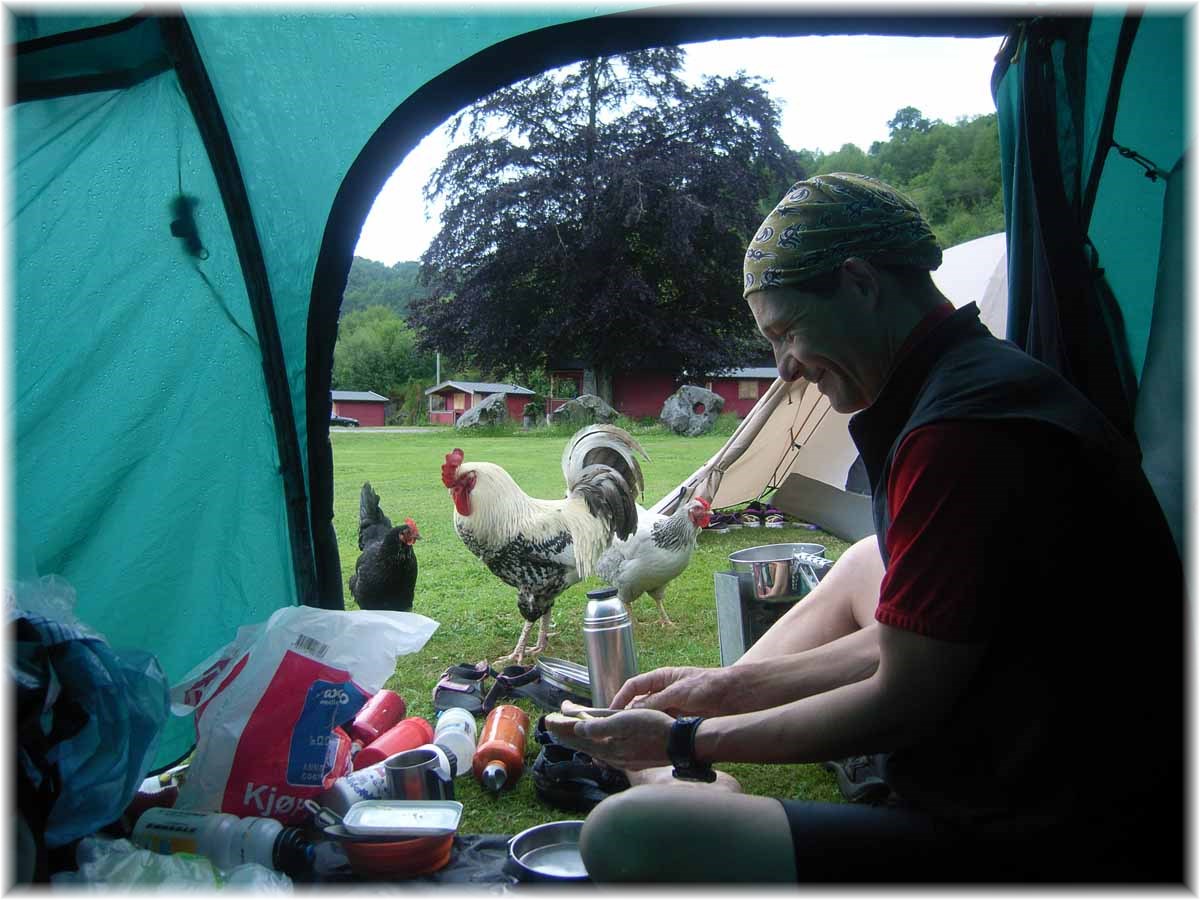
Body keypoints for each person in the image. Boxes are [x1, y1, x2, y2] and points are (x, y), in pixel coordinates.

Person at [545, 173, 1184, 884]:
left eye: (787, 331)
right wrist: (716, 689)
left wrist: (688, 739)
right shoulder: (974, 380)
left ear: (858, 283)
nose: (785, 368)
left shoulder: (962, 432)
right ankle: (683, 760)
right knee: (864, 560)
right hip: (1061, 734)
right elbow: (917, 640)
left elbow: (901, 701)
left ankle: (682, 780)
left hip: (1051, 829)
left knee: (626, 835)